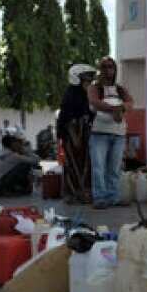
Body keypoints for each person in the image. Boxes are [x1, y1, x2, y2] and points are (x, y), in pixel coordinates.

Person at [87, 56, 133, 209]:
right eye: (105, 67)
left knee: (114, 168)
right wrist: (114, 109)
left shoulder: (120, 89)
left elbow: (130, 102)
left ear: (115, 70)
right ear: (100, 70)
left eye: (111, 67)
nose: (108, 70)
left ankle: (113, 197)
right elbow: (94, 102)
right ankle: (100, 198)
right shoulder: (95, 87)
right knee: (98, 167)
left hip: (118, 134)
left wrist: (122, 108)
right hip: (99, 133)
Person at [57, 63, 95, 204]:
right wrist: (75, 138)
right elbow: (68, 120)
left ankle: (83, 192)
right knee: (73, 164)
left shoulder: (85, 94)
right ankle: (73, 194)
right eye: (87, 77)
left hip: (83, 134)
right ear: (77, 78)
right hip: (72, 135)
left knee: (84, 164)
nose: (90, 80)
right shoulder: (71, 95)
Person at [0, 133, 40, 197]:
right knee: (25, 165)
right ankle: (7, 191)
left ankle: (10, 189)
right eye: (19, 143)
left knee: (15, 168)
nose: (21, 145)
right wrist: (25, 151)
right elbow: (36, 160)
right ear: (13, 144)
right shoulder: (13, 156)